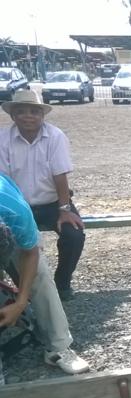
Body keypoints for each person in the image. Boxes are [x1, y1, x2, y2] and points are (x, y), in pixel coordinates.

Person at [0, 173, 89, 376]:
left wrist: (20, 302)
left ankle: (58, 346)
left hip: (9, 216)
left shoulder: (16, 213)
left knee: (40, 276)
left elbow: (30, 253)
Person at [0, 89, 85, 302]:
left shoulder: (55, 136)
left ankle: (62, 282)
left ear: (42, 115)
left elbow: (60, 175)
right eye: (21, 111)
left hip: (52, 202)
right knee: (7, 240)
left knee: (74, 235)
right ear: (13, 115)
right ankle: (24, 287)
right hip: (17, 205)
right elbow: (4, 183)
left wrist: (64, 210)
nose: (28, 116)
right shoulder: (2, 139)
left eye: (34, 111)